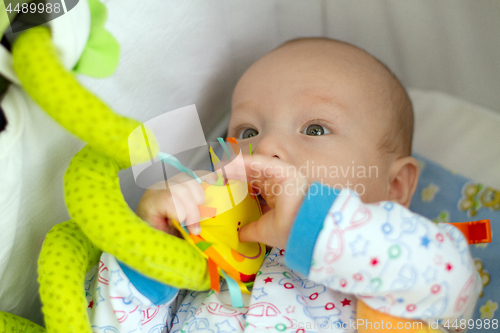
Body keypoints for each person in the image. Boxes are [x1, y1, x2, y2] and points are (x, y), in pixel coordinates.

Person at [87, 38, 480, 332]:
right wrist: (150, 254)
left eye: (315, 128)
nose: (265, 146)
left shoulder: (407, 259)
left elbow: (453, 283)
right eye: (247, 130)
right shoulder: (205, 257)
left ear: (395, 186)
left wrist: (310, 223)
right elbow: (100, 323)